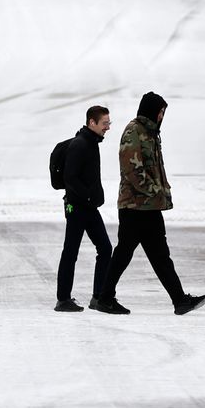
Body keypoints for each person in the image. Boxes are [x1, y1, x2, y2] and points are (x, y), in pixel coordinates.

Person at [96, 91, 205, 316]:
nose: (162, 116)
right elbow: (132, 170)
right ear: (151, 112)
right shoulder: (134, 131)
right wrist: (155, 191)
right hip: (134, 207)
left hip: (149, 207)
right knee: (124, 254)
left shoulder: (151, 133)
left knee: (159, 255)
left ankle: (179, 300)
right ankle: (105, 298)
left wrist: (161, 193)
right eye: (161, 111)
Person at [56, 105, 115, 313]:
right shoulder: (81, 145)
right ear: (92, 122)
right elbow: (69, 177)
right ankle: (63, 299)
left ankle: (98, 297)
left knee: (105, 248)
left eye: (109, 123)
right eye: (105, 123)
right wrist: (89, 196)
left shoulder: (91, 143)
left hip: (87, 207)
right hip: (77, 207)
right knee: (71, 252)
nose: (107, 127)